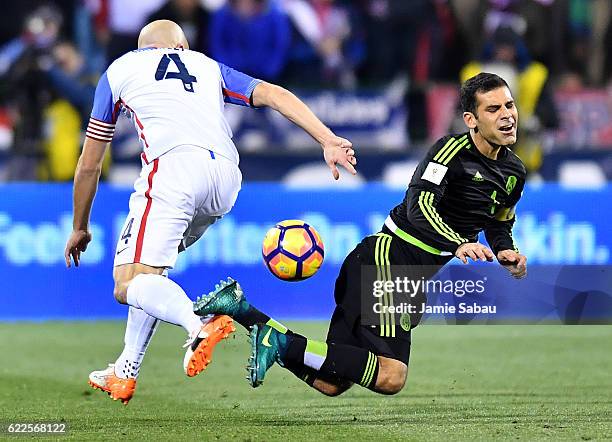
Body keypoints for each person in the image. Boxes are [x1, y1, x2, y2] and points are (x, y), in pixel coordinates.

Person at [64, 19, 356, 405]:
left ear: (142, 47)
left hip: (173, 169)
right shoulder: (205, 64)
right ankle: (125, 369)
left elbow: (89, 165)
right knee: (152, 273)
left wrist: (80, 226)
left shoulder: (119, 70)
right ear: (181, 47)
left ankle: (199, 322)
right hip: (225, 179)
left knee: (127, 284)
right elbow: (272, 94)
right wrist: (327, 138)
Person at [194, 72, 528, 396]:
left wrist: (504, 250)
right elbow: (419, 204)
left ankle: (243, 311)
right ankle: (277, 342)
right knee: (391, 376)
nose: (507, 116)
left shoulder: (514, 170)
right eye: (494, 109)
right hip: (388, 262)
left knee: (331, 382)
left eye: (509, 106)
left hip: (398, 272)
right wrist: (457, 243)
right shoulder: (449, 153)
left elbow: (500, 220)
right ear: (471, 119)